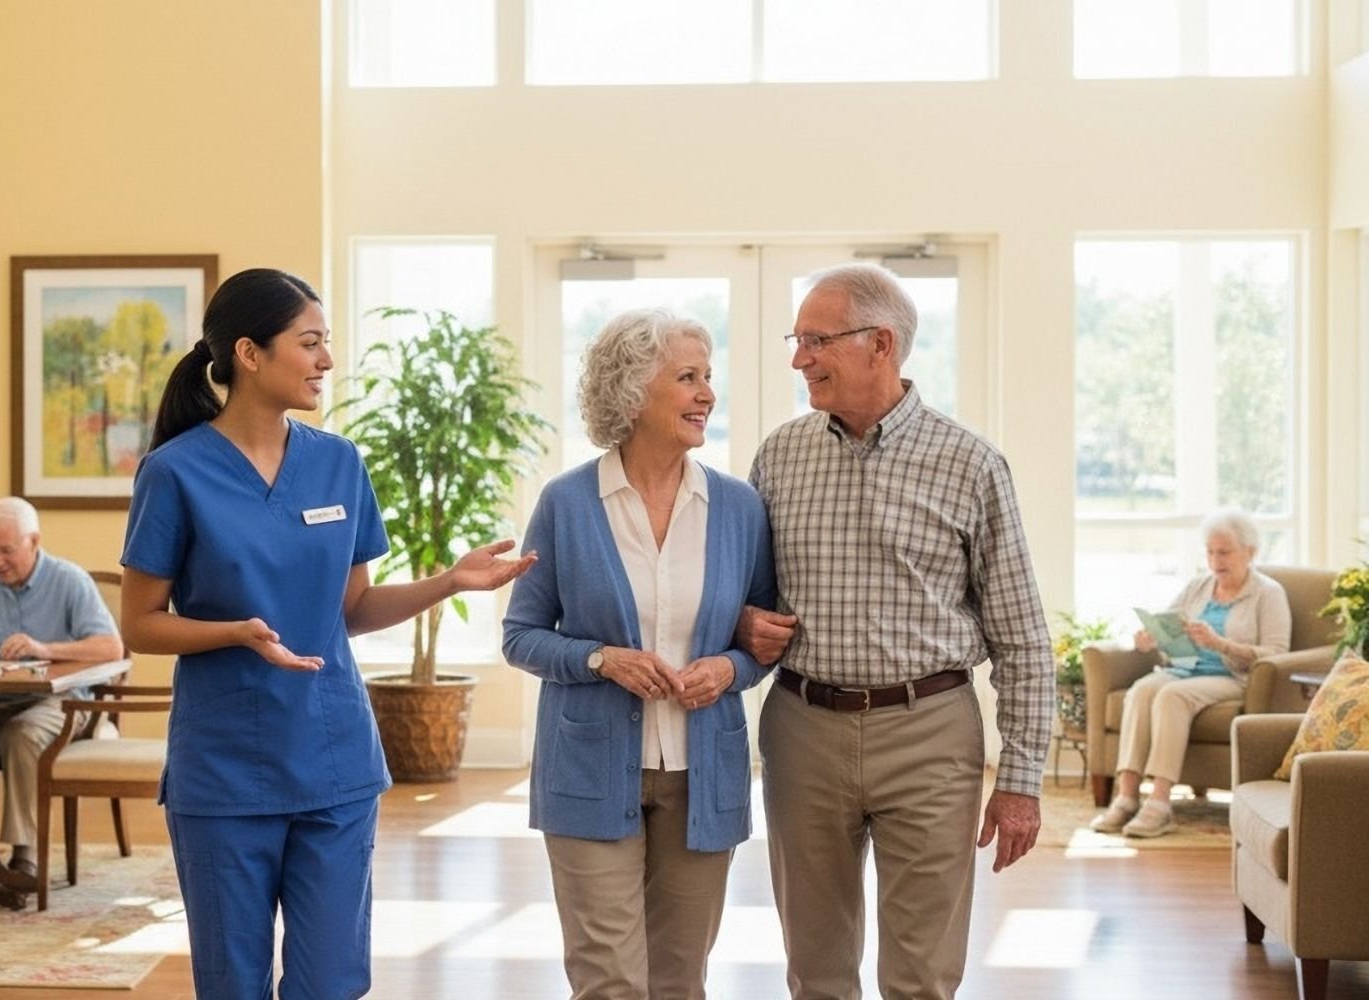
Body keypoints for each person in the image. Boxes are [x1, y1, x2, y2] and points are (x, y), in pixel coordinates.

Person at [119, 267, 535, 998]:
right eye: (310, 343)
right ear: (249, 354)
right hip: (224, 771)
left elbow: (354, 610)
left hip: (333, 760)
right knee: (234, 984)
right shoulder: (175, 472)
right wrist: (235, 633)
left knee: (333, 982)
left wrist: (447, 581)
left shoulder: (338, 464)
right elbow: (140, 625)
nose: (327, 362)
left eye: (327, 343)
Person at [744, 264, 1051, 1000]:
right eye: (798, 339)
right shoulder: (778, 456)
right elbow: (745, 598)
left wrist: (1021, 782)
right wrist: (743, 622)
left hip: (931, 734)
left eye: (816, 340)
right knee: (815, 970)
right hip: (802, 729)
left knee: (921, 975)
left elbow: (1022, 637)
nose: (799, 358)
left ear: (880, 343)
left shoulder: (971, 463)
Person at [502, 308, 777, 1000]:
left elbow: (764, 640)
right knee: (608, 980)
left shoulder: (739, 508)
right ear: (631, 392)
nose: (707, 394)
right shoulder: (567, 503)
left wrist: (731, 669)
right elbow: (521, 634)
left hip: (702, 777)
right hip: (589, 772)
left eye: (708, 377)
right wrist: (601, 660)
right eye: (687, 378)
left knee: (680, 980)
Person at [0, 496, 123, 880]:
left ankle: (26, 856)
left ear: (33, 542)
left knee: (21, 734)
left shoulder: (69, 580)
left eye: (6, 551)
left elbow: (111, 648)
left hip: (60, 702)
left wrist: (44, 649)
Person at [1091, 509, 1290, 837]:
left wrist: (1221, 644)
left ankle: (1158, 804)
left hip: (1232, 678)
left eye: (1224, 552)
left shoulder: (1269, 593)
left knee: (1172, 696)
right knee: (1141, 690)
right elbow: (1168, 625)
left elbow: (1277, 654)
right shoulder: (1198, 587)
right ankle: (1126, 797)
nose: (1215, 560)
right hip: (1184, 669)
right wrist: (1150, 638)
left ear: (1250, 552)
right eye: (1210, 552)